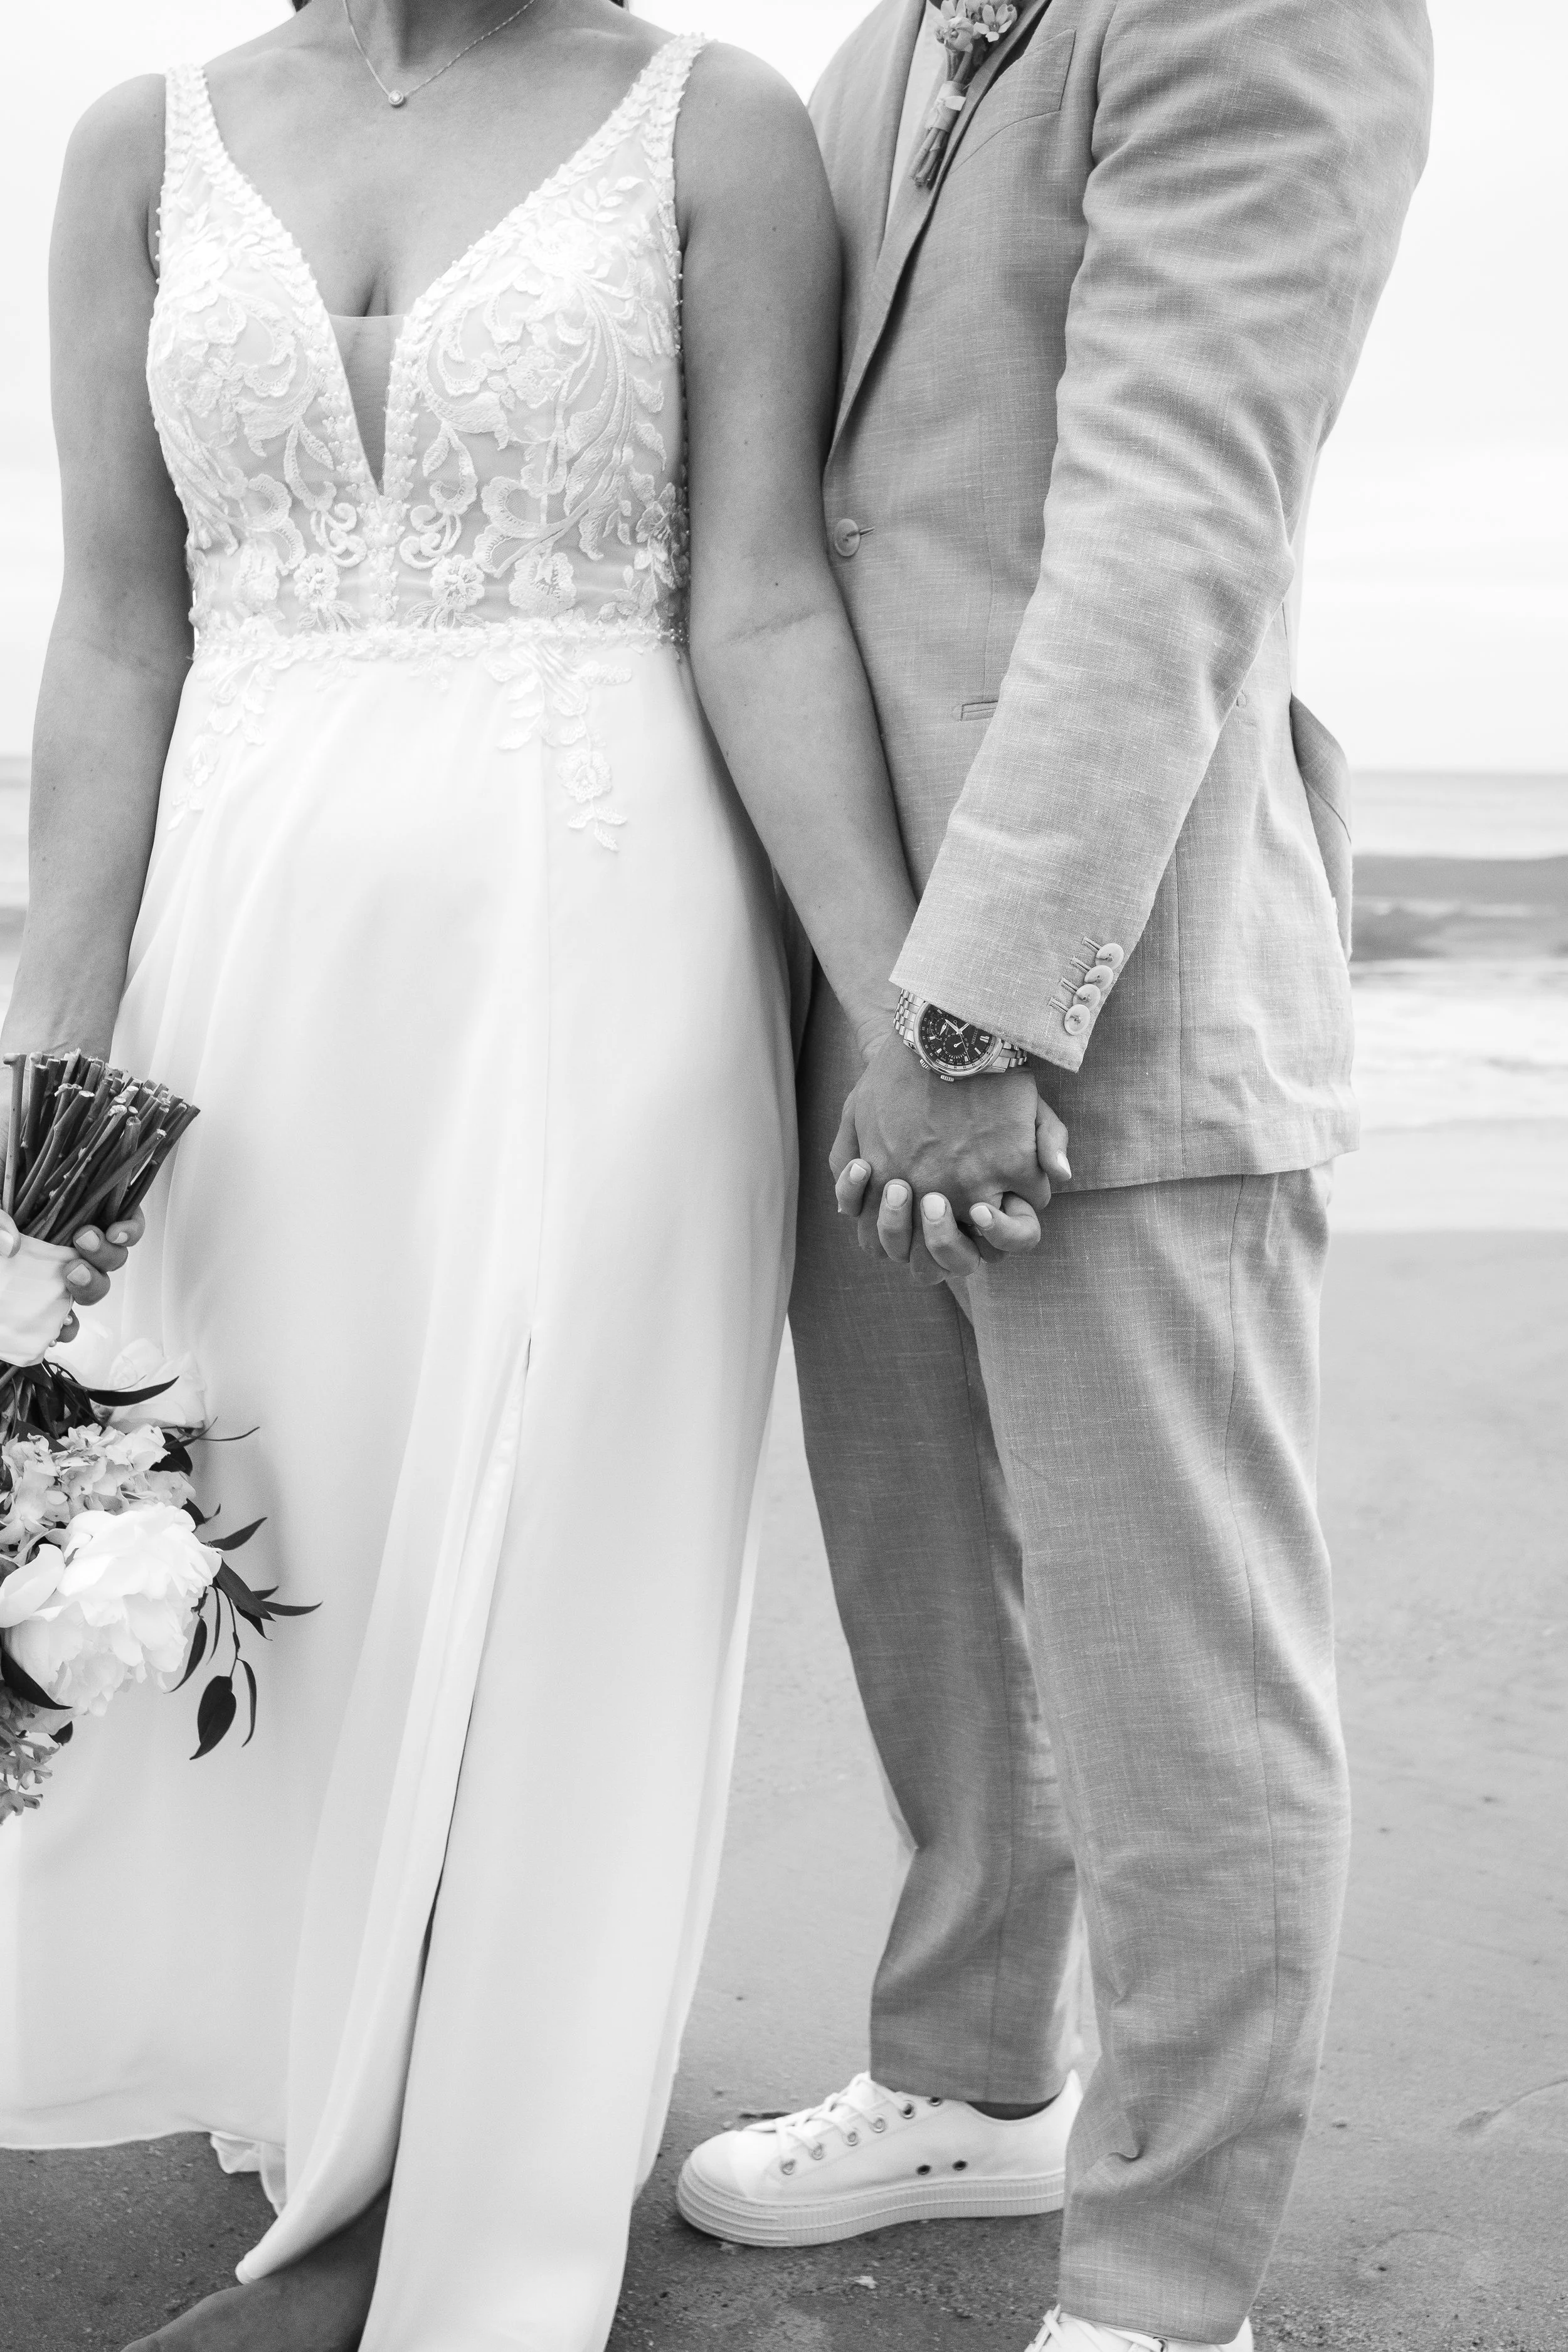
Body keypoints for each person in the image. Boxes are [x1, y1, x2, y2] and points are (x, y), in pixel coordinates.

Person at [0, 4, 1065, 2348]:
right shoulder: (134, 143)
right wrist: (52, 1024)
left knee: (557, 1530)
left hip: (602, 918)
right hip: (242, 939)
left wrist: (915, 1020)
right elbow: (115, 615)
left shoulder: (716, 124)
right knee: (305, 1520)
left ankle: (470, 2222)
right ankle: (340, 2103)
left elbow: (762, 592)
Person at [678, 4, 1434, 2349]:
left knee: (1172, 1670)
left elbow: (1171, 516)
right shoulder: (880, 36)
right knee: (932, 1591)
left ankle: (1166, 2271)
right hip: (849, 957)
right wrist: (854, 980)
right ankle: (970, 2074)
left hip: (1101, 984)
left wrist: (979, 1012)